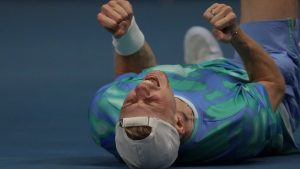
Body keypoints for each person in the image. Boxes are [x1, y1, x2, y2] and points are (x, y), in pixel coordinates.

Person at [89, 0, 300, 168]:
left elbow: (135, 77)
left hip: (208, 84)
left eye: (130, 102)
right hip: (260, 89)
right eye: (150, 101)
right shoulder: (234, 119)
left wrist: (126, 35)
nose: (141, 89)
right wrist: (236, 34)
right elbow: (272, 82)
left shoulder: (107, 114)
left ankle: (203, 71)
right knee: (281, 63)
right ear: (179, 123)